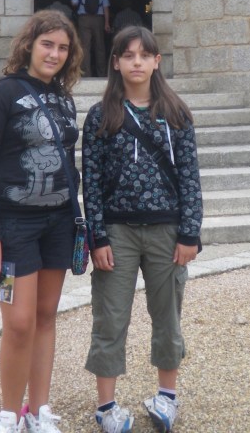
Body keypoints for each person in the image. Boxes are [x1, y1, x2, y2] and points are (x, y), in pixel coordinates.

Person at [82, 26, 203, 433]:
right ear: (115, 62)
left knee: (168, 314)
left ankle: (166, 396)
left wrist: (190, 233)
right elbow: (91, 182)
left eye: (144, 55)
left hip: (167, 231)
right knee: (110, 317)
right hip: (116, 233)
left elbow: (190, 177)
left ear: (156, 62)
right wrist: (96, 237)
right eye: (128, 55)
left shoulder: (176, 113)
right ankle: (107, 405)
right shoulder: (101, 115)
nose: (136, 62)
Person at [0, 10, 84, 433]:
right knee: (18, 324)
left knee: (47, 316)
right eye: (47, 44)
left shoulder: (65, 98)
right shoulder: (2, 95)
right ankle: (8, 413)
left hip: (59, 222)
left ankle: (38, 411)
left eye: (62, 47)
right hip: (14, 224)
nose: (54, 54)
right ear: (29, 46)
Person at [71, 0, 111, 76]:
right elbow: (106, 7)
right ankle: (101, 73)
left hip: (83, 19)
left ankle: (86, 73)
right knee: (100, 47)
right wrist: (107, 23)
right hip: (98, 19)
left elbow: (73, 2)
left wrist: (81, 2)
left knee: (85, 46)